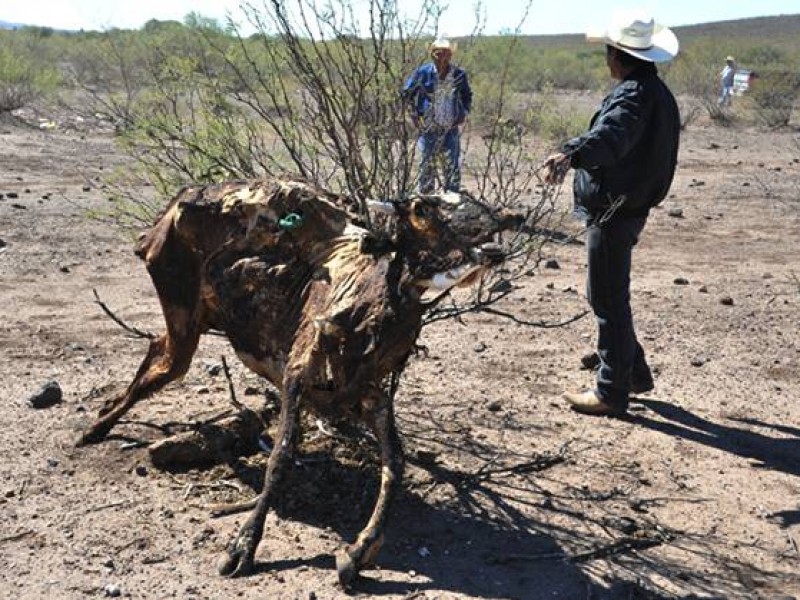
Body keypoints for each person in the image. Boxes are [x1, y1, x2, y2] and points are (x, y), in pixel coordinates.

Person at [543, 11, 681, 416]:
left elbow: (611, 138)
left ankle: (610, 391)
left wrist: (571, 154)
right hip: (627, 207)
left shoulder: (634, 95)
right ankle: (633, 374)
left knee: (606, 298)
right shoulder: (654, 93)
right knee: (609, 294)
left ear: (618, 55)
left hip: (614, 210)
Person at [402, 38, 472, 193]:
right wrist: (413, 114)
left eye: (445, 53)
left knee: (451, 168)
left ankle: (452, 203)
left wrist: (464, 112)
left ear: (450, 55)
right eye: (438, 53)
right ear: (432, 55)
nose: (441, 57)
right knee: (426, 168)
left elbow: (467, 96)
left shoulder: (459, 75)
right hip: (428, 129)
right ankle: (427, 204)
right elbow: (406, 93)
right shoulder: (423, 73)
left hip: (450, 129)